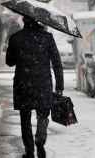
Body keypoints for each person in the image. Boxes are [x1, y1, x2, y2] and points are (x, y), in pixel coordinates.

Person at [6, 16, 64, 158]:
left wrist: (18, 53)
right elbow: (57, 63)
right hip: (43, 84)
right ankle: (40, 139)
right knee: (43, 114)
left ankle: (29, 150)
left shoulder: (16, 38)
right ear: (39, 21)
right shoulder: (47, 37)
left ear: (24, 21)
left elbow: (9, 62)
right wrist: (59, 86)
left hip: (23, 85)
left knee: (25, 118)